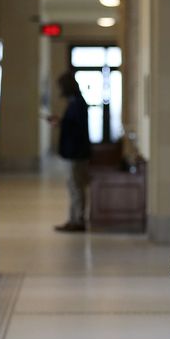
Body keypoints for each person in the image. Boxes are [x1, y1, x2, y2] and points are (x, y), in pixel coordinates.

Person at [48, 71, 92, 232]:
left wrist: (62, 123)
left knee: (76, 187)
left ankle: (78, 220)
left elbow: (76, 128)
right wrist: (62, 122)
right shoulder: (75, 102)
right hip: (75, 151)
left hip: (77, 152)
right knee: (73, 186)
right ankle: (73, 218)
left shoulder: (78, 103)